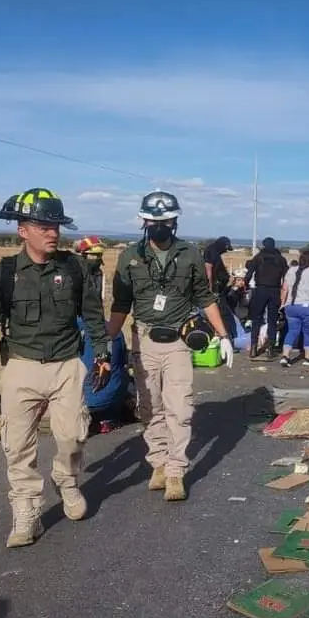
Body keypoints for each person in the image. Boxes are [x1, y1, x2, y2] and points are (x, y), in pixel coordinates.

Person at [0, 188, 112, 549]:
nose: (52, 232)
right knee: (17, 445)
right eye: (43, 225)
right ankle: (26, 509)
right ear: (22, 230)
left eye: (56, 225)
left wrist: (103, 353)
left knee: (74, 436)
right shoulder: (5, 273)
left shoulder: (74, 268)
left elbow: (92, 315)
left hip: (66, 366)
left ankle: (67, 479)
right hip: (22, 367)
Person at [107, 190, 234, 503]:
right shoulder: (129, 256)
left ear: (175, 221)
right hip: (143, 339)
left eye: (166, 220)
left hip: (178, 340)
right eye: (154, 220)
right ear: (144, 221)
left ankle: (176, 470)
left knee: (180, 408)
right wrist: (106, 341)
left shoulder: (189, 254)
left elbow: (205, 298)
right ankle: (159, 462)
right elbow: (121, 303)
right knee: (150, 407)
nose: (160, 225)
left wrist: (224, 335)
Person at [77, 316, 130, 429]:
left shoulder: (67, 329)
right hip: (111, 401)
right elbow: (123, 362)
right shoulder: (114, 328)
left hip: (81, 403)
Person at [280, 249, 309, 368]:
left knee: (292, 331)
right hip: (308, 307)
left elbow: (284, 289)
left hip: (291, 306)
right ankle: (307, 358)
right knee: (308, 332)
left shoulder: (291, 270)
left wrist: (282, 304)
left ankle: (285, 356)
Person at [244, 237, 288, 360]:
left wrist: (246, 285)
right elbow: (287, 277)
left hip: (260, 290)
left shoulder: (258, 257)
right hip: (275, 290)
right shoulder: (280, 259)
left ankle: (253, 348)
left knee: (256, 319)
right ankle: (270, 348)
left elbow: (249, 274)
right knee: (272, 320)